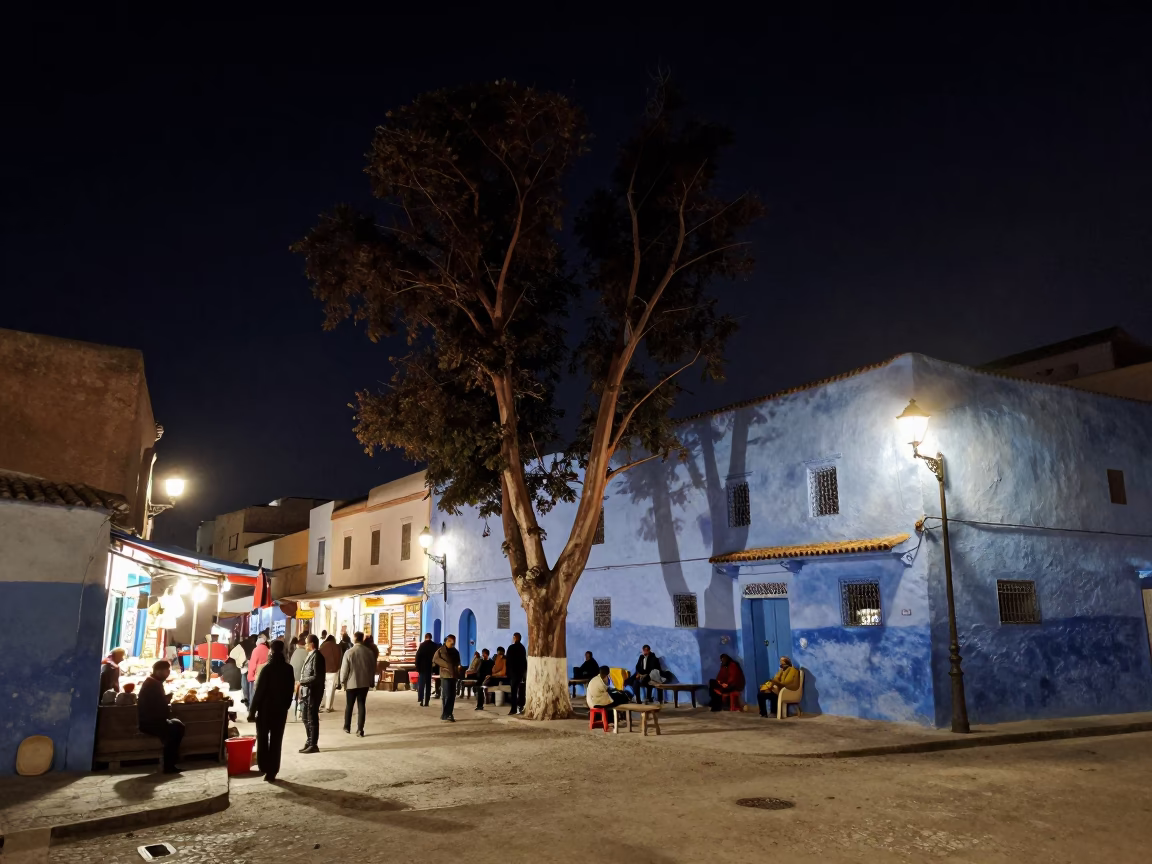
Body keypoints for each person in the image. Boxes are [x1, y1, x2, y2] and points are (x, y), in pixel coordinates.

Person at [248, 639, 295, 782]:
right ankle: (272, 771)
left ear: (271, 651)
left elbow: (260, 692)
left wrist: (252, 711)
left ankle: (264, 766)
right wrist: (286, 706)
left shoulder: (267, 669)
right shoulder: (288, 669)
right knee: (276, 740)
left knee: (262, 738)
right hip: (280, 710)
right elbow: (290, 690)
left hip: (265, 710)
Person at [137, 660, 184, 773]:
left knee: (178, 725)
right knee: (175, 730)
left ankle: (172, 761)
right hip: (150, 722)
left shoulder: (152, 682)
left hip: (153, 720)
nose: (168, 673)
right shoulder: (153, 684)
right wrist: (167, 701)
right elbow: (158, 706)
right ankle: (168, 765)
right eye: (167, 670)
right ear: (159, 671)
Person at [340, 631, 375, 737]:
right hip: (364, 683)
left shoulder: (349, 652)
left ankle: (347, 726)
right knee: (361, 705)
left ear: (355, 638)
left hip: (351, 682)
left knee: (349, 705)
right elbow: (372, 668)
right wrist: (371, 680)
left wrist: (342, 680)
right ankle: (360, 729)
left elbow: (344, 669)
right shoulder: (369, 652)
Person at [297, 634, 325, 753]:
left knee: (312, 717)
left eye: (307, 643)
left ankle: (313, 744)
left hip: (313, 691)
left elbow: (317, 677)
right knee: (305, 717)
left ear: (312, 644)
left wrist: (302, 682)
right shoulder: (311, 655)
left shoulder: (317, 656)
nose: (305, 646)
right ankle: (309, 741)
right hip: (306, 691)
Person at [432, 635, 462, 722]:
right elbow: (435, 659)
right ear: (447, 641)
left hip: (453, 675)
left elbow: (458, 661)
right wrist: (446, 666)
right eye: (451, 641)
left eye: (454, 642)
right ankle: (445, 713)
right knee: (446, 695)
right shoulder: (441, 650)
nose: (452, 643)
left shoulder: (455, 651)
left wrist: (457, 668)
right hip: (445, 675)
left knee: (452, 695)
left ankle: (449, 713)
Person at [505, 632, 527, 715]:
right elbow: (524, 661)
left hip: (513, 673)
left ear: (514, 638)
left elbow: (508, 661)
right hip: (520, 672)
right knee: (521, 690)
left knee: (514, 691)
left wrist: (508, 673)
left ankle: (513, 709)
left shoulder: (511, 648)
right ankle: (521, 707)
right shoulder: (522, 648)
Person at [320, 634, 342, 712]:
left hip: (322, 670)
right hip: (333, 671)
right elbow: (340, 659)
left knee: (321, 689)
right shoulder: (337, 647)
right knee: (330, 690)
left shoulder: (322, 646)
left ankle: (319, 704)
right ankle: (328, 707)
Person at [245, 634, 270, 706]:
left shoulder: (256, 650)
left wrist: (250, 677)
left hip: (256, 677)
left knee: (253, 696)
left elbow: (252, 665)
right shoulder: (268, 651)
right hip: (266, 677)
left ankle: (252, 712)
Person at [414, 632, 437, 707]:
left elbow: (418, 656)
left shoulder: (422, 645)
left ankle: (421, 699)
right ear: (431, 637)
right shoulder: (434, 646)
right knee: (428, 684)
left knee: (421, 684)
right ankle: (427, 700)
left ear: (425, 637)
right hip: (429, 667)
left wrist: (417, 667)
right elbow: (436, 657)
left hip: (422, 667)